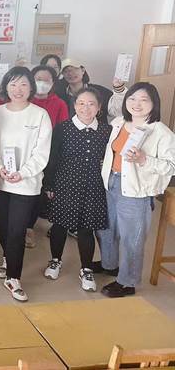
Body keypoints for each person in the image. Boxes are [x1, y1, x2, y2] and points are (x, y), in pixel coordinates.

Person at [97, 82, 175, 298]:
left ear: (154, 103)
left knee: (132, 237)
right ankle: (109, 265)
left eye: (144, 100)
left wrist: (144, 160)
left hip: (135, 190)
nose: (136, 104)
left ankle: (127, 282)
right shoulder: (119, 122)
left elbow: (171, 166)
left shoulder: (161, 132)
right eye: (132, 98)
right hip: (111, 182)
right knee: (107, 228)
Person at [0, 67, 52, 302]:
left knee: (17, 230)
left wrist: (23, 173)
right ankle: (8, 258)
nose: (18, 89)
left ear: (31, 88)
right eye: (13, 84)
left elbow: (41, 152)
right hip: (2, 181)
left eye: (24, 84)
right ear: (6, 86)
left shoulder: (40, 115)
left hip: (26, 184)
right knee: (3, 227)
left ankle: (13, 278)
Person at [42, 87, 111, 292]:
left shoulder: (106, 131)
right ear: (74, 105)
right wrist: (49, 184)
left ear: (99, 107)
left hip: (94, 186)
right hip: (65, 184)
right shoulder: (63, 129)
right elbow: (52, 158)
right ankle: (55, 260)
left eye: (91, 104)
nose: (85, 108)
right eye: (81, 103)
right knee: (59, 225)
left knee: (86, 229)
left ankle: (86, 269)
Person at [55, 58, 121, 124]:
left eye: (75, 69)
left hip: (98, 129)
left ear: (83, 70)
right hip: (68, 130)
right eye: (66, 71)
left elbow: (117, 110)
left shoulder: (100, 91)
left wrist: (119, 88)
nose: (70, 73)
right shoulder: (59, 95)